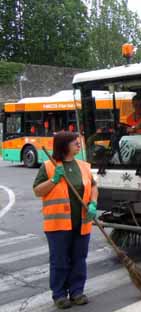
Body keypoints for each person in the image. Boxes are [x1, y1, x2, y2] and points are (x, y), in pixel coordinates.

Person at [33, 132, 98, 309]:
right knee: (60, 260)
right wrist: (54, 180)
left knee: (79, 258)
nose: (79, 144)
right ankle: (60, 294)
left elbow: (93, 186)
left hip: (82, 222)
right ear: (63, 145)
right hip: (58, 225)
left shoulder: (83, 166)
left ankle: (77, 292)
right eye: (74, 142)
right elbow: (38, 191)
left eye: (78, 142)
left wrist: (93, 203)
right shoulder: (48, 166)